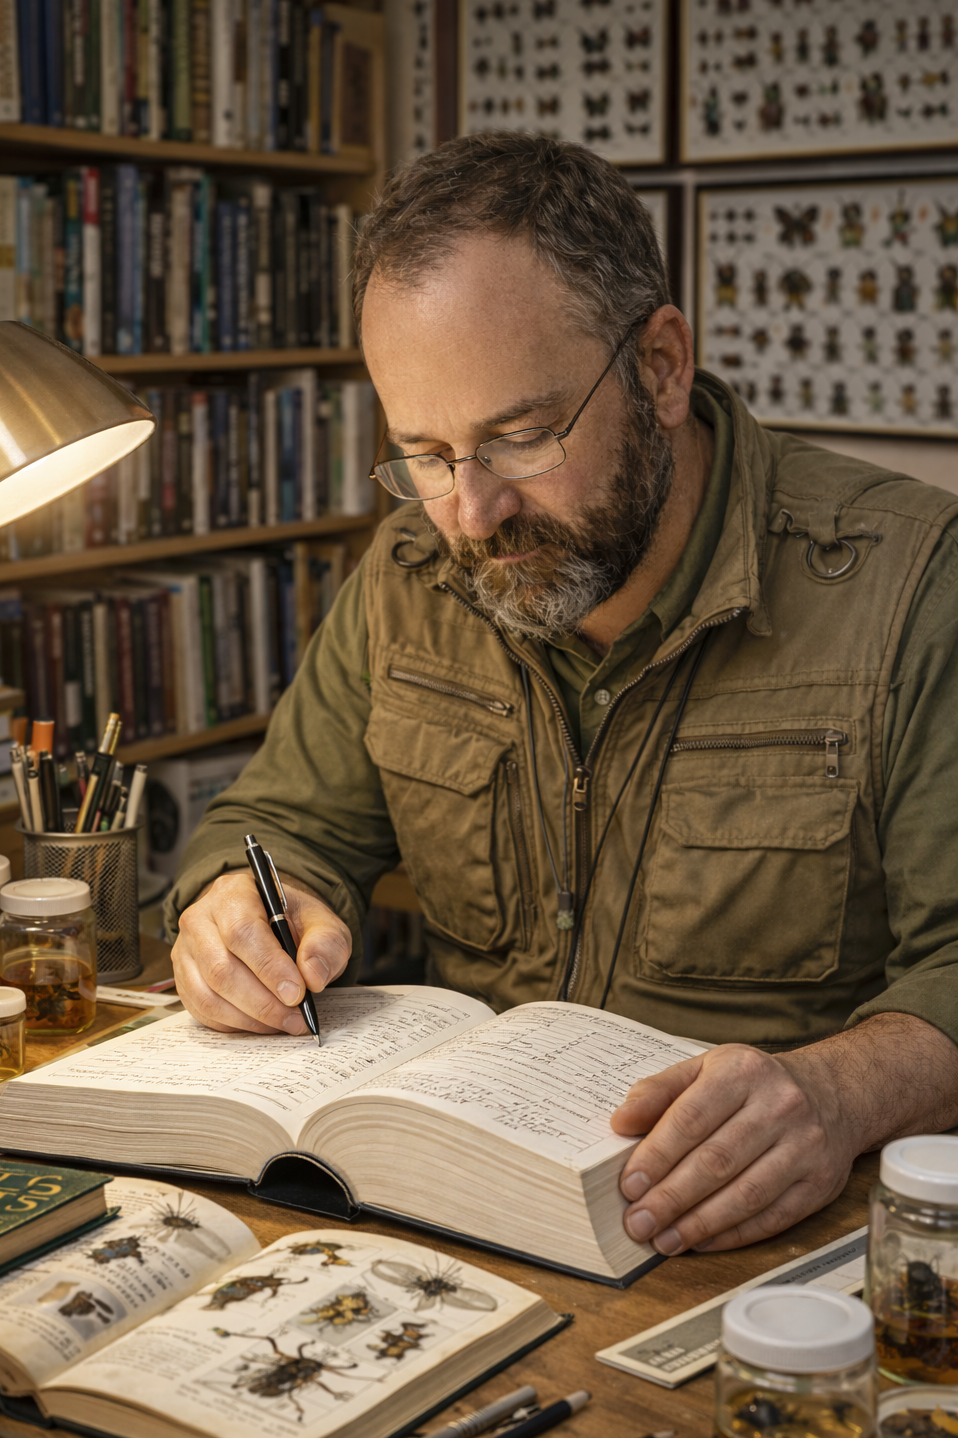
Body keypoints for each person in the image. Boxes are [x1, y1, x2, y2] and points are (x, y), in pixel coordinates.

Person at [167, 132, 958, 1260]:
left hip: (757, 1234)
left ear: (661, 367)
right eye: (424, 453)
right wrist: (242, 912)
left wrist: (839, 1092)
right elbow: (281, 821)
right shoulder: (411, 572)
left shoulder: (915, 584)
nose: (470, 514)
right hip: (450, 1204)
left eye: (520, 439)